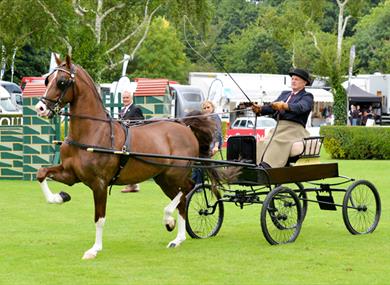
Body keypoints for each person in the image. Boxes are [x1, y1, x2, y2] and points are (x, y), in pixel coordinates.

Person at [251, 68, 314, 168]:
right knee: (263, 141)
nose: (293, 81)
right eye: (292, 79)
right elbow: (272, 107)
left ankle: (268, 165)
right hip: (279, 127)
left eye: (296, 79)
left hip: (294, 129)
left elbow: (301, 107)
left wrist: (285, 106)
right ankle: (256, 164)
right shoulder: (285, 94)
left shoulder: (307, 96)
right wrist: (260, 109)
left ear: (304, 82)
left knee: (277, 140)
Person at [119, 90, 145, 193]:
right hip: (124, 137)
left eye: (127, 98)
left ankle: (133, 185)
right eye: (124, 98)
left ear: (131, 98)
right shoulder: (122, 110)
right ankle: (133, 185)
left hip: (133, 138)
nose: (125, 100)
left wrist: (129, 123)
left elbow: (141, 122)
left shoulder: (136, 108)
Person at [192, 100, 222, 185]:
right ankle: (197, 184)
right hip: (204, 143)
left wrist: (216, 146)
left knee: (203, 162)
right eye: (204, 108)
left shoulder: (215, 117)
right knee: (199, 163)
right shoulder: (202, 118)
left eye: (208, 107)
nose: (206, 109)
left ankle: (198, 184)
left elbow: (217, 132)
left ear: (212, 108)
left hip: (212, 143)